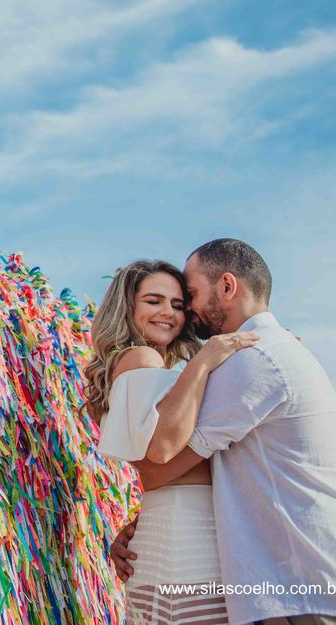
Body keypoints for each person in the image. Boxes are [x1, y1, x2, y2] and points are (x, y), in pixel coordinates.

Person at [112, 239, 336, 625]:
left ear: (227, 286)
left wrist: (149, 521)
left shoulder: (250, 360)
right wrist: (147, 523)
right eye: (156, 301)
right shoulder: (272, 350)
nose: (184, 310)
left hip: (302, 591)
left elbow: (159, 467)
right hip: (305, 584)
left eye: (189, 296)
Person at [84, 259, 259, 623]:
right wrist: (203, 362)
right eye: (154, 301)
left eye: (178, 305)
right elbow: (163, 449)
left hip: (167, 528)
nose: (168, 313)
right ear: (126, 307)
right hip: (189, 538)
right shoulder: (142, 357)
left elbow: (156, 466)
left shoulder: (143, 365)